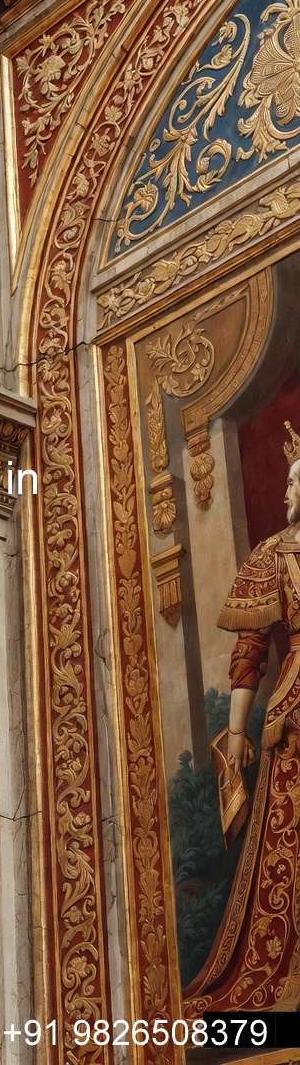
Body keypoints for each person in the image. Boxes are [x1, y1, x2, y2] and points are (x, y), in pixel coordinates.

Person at [185, 422, 300, 1011]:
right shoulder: (274, 556)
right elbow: (249, 653)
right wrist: (235, 735)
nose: (286, 493)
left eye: (294, 483)